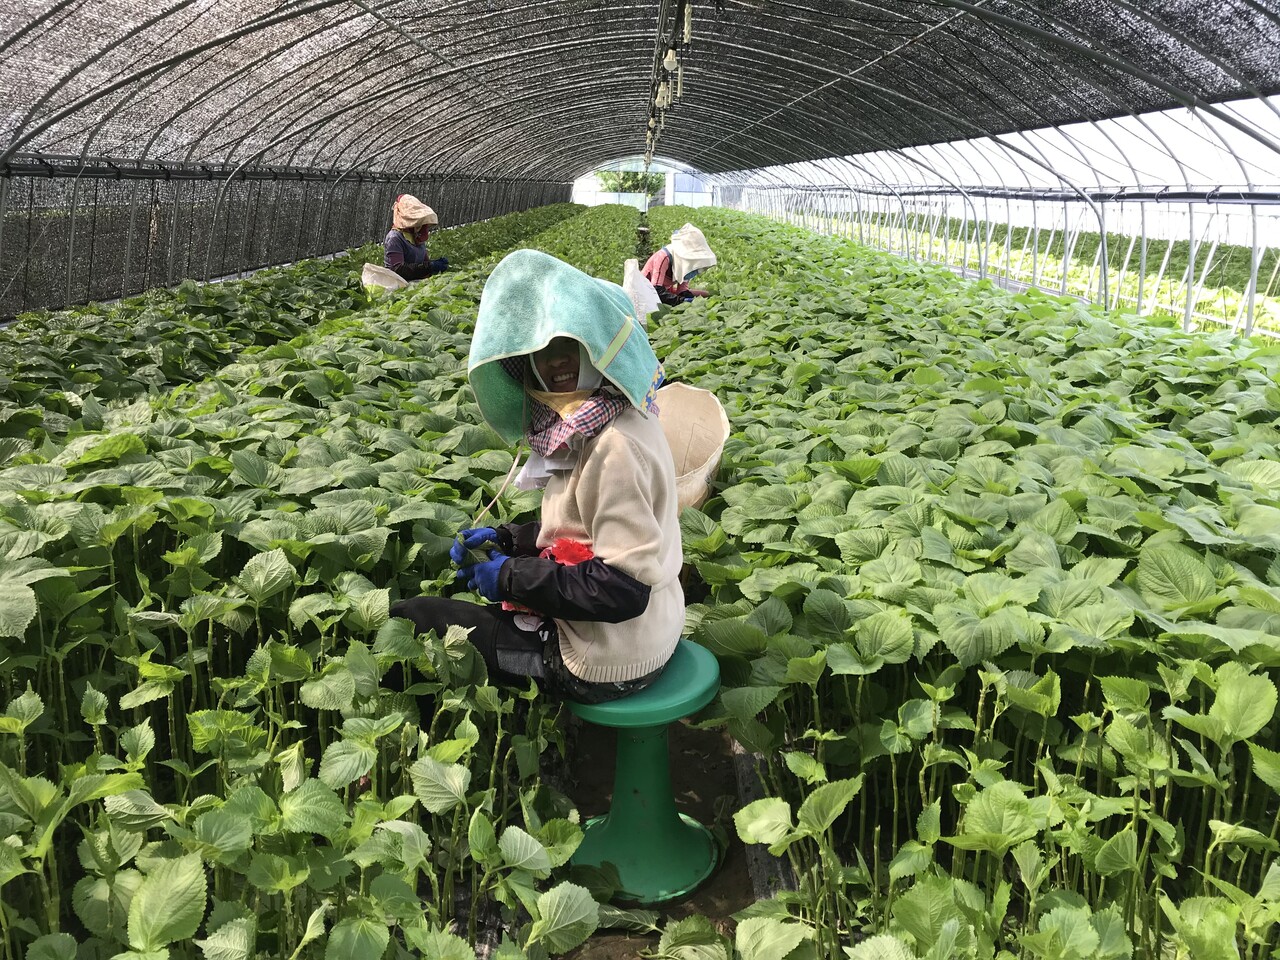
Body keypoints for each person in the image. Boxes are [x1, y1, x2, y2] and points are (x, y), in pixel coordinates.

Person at [389, 249, 683, 703]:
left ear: (598, 347)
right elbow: (588, 528)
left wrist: (511, 577)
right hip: (650, 631)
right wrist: (510, 540)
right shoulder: (617, 414)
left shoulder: (614, 448)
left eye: (569, 344)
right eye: (540, 351)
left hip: (603, 659)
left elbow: (623, 589)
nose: (555, 361)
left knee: (414, 619)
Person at [640, 222, 716, 306]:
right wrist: (682, 301)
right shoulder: (663, 257)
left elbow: (682, 291)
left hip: (664, 292)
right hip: (644, 291)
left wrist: (702, 299)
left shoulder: (686, 265)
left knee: (706, 294)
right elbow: (656, 290)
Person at [384, 194, 448, 280]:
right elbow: (398, 269)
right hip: (399, 284)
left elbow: (423, 261)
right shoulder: (395, 238)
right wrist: (429, 266)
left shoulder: (417, 235)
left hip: (417, 281)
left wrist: (433, 264)